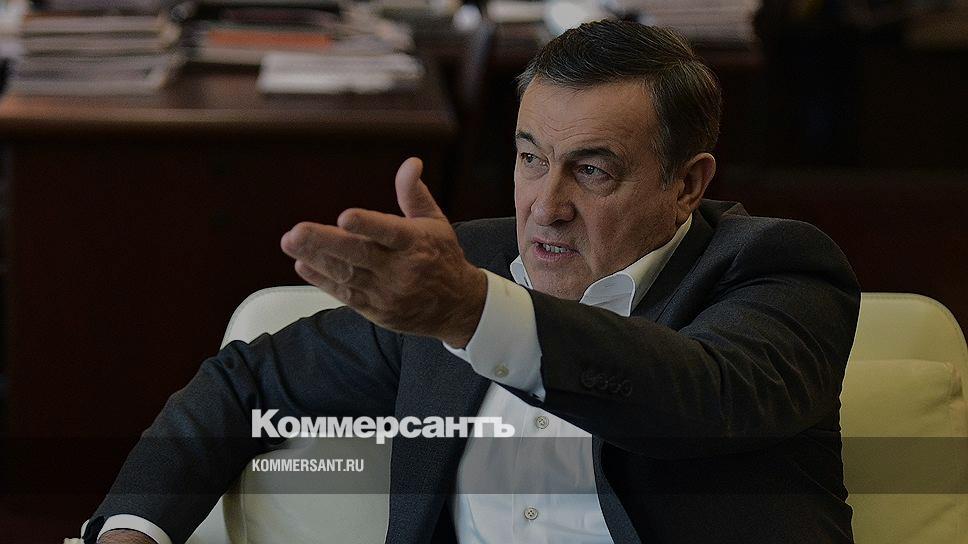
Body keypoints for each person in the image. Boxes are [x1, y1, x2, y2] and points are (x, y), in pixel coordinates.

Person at [84, 20, 860, 544]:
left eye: (592, 170)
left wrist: (476, 315)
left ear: (687, 184)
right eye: (530, 158)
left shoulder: (777, 271)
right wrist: (129, 531)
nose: (546, 206)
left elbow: (695, 397)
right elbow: (245, 382)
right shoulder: (463, 267)